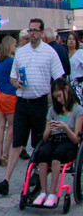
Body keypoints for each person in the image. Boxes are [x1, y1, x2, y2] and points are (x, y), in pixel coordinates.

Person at [0, 18, 66, 196]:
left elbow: (59, 78)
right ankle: (6, 181)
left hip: (40, 102)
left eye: (35, 30)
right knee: (17, 142)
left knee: (40, 141)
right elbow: (12, 76)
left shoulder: (49, 53)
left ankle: (38, 174)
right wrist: (15, 82)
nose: (31, 33)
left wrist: (61, 101)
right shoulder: (21, 53)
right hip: (22, 102)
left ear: (41, 33)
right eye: (30, 30)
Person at [30, 79, 82, 207]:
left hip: (69, 141)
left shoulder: (78, 110)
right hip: (54, 139)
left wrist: (64, 127)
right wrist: (50, 128)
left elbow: (76, 139)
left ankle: (53, 193)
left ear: (66, 90)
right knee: (43, 153)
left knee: (57, 155)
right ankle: (43, 192)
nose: (59, 100)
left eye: (59, 96)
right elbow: (45, 137)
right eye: (56, 97)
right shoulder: (53, 110)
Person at [0, 35, 18, 166]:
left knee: (1, 125)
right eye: (14, 45)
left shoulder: (0, 61)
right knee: (11, 126)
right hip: (10, 95)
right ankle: (6, 154)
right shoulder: (11, 61)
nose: (15, 47)